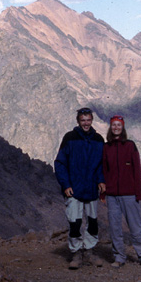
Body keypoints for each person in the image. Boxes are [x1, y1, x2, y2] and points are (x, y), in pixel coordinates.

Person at [54, 107, 106, 269]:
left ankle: (89, 251)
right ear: (78, 121)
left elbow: (100, 165)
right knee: (74, 222)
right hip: (74, 189)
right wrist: (66, 184)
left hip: (91, 189)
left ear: (92, 120)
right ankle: (76, 253)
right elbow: (60, 163)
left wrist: (101, 180)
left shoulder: (98, 140)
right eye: (83, 120)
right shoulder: (69, 138)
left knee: (92, 222)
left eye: (88, 120)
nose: (86, 123)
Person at [101, 114, 141, 267]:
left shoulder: (130, 145)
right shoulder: (106, 147)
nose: (116, 127)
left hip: (129, 194)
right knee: (115, 228)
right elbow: (104, 171)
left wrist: (139, 192)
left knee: (135, 226)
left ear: (123, 128)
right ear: (111, 128)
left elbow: (137, 170)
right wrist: (103, 192)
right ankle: (119, 258)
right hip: (111, 195)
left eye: (119, 125)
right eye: (113, 125)